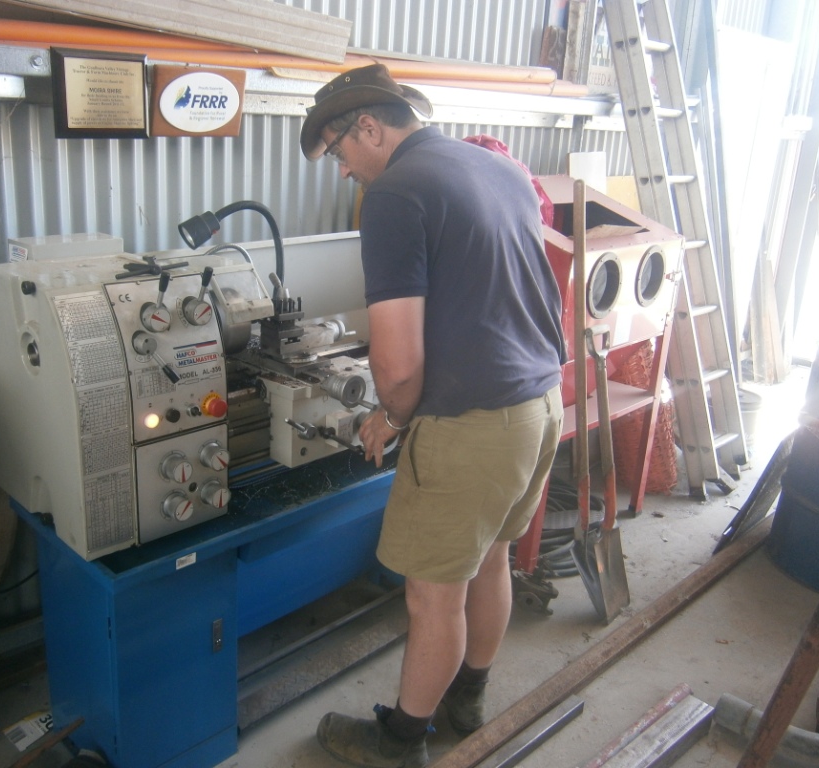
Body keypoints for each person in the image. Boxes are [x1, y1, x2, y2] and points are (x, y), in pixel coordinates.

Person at [300, 63, 566, 768]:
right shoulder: (498, 167)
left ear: (368, 125)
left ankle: (398, 743)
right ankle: (466, 700)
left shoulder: (393, 195)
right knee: (493, 561)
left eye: (339, 152)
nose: (343, 171)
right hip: (540, 405)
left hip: (473, 429)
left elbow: (397, 365)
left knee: (431, 599)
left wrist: (392, 415)